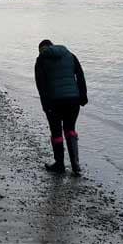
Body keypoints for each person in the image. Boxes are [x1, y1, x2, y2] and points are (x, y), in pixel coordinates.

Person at [35, 39, 87, 176]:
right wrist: (83, 97)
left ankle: (59, 165)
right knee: (70, 129)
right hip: (73, 100)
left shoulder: (41, 59)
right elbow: (80, 76)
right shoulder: (70, 55)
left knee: (57, 133)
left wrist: (46, 106)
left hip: (54, 102)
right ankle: (75, 166)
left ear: (41, 49)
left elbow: (41, 85)